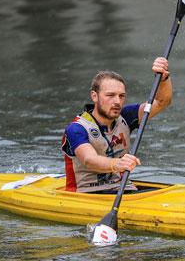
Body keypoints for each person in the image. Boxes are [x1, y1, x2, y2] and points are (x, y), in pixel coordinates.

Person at [61, 57, 172, 193]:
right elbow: (90, 159)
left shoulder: (125, 116)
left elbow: (161, 102)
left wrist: (163, 79)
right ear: (94, 96)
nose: (117, 102)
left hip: (122, 187)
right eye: (110, 95)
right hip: (86, 193)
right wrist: (118, 164)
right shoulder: (76, 128)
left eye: (121, 96)